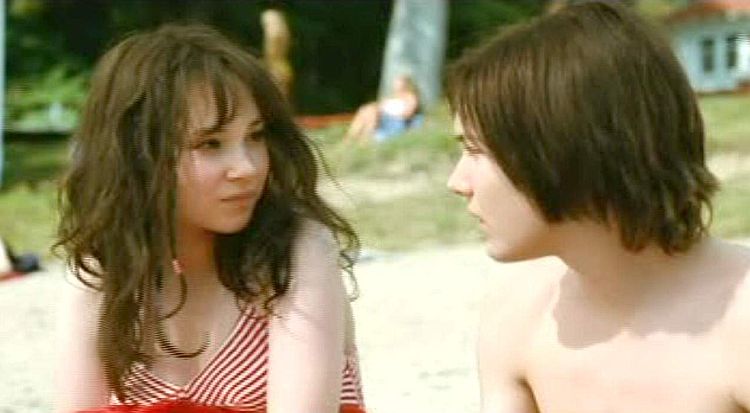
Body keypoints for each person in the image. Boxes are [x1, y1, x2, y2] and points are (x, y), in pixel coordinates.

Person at [445, 2, 750, 412]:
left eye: (475, 150)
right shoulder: (518, 313)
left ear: (562, 151)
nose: (457, 182)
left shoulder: (740, 321)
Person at [54, 23, 365, 413]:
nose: (247, 167)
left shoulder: (297, 253)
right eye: (210, 144)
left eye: (255, 136)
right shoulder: (103, 267)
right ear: (140, 156)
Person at [345, 74, 421, 143]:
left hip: (394, 120)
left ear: (405, 84)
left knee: (372, 112)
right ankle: (350, 138)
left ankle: (363, 138)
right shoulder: (394, 96)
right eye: (395, 83)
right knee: (365, 109)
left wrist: (388, 113)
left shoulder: (411, 97)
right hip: (383, 116)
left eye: (398, 83)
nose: (395, 85)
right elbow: (380, 105)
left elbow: (408, 114)